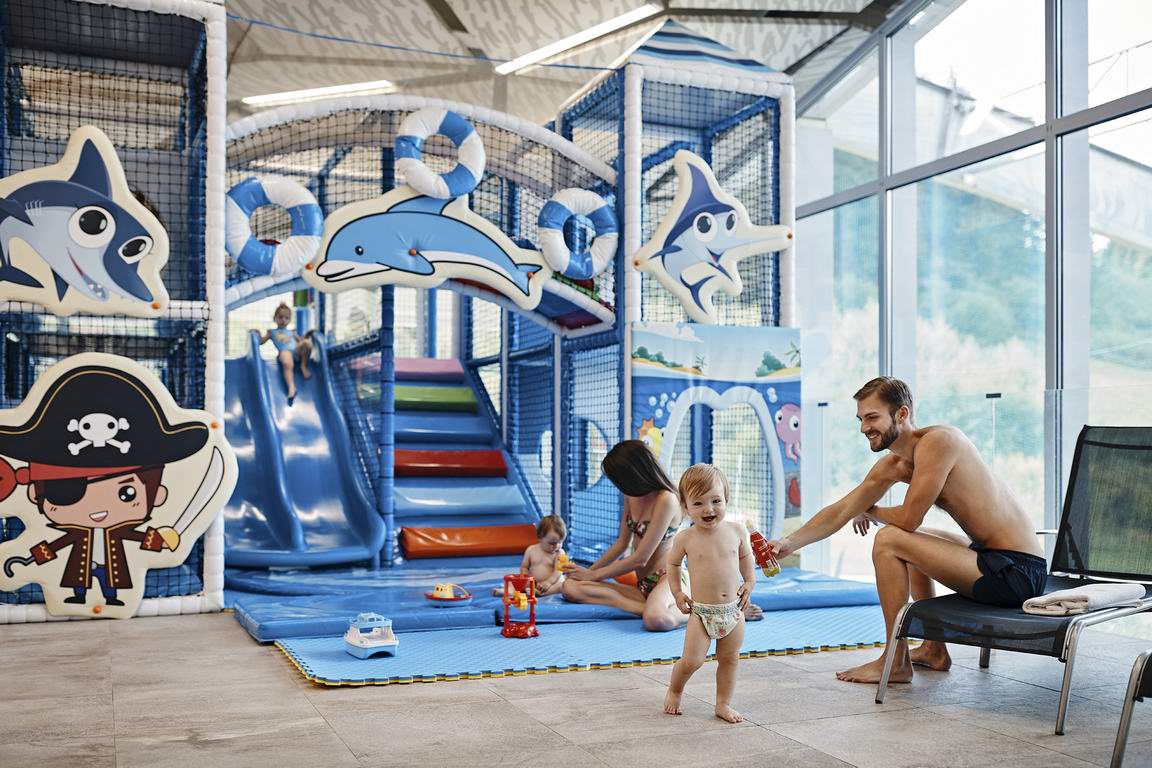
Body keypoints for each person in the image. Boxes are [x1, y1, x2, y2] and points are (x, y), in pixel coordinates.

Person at [767, 377, 1047, 684]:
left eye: (872, 417)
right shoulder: (895, 464)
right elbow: (842, 509)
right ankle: (933, 649)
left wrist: (870, 511)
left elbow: (909, 518)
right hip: (993, 558)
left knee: (890, 539)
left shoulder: (939, 442)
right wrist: (789, 543)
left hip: (1018, 573)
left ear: (902, 414)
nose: (864, 428)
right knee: (908, 541)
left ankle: (896, 660)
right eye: (861, 419)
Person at [663, 464, 755, 723]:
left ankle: (723, 704)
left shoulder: (737, 531)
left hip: (734, 610)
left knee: (730, 659)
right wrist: (677, 593)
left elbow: (746, 558)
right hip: (702, 613)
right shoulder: (685, 538)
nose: (709, 509)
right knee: (692, 660)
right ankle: (675, 690)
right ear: (685, 506)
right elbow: (672, 564)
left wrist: (749, 582)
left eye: (716, 501)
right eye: (698, 503)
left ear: (726, 499)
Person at [495, 514, 568, 597]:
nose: (557, 546)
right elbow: (524, 567)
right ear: (540, 537)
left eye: (560, 542)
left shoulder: (560, 553)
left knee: (561, 585)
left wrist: (548, 582)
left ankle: (541, 593)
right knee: (514, 581)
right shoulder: (531, 550)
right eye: (552, 543)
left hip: (552, 583)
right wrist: (526, 578)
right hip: (533, 582)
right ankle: (510, 590)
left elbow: (558, 572)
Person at [257, 303, 313, 402]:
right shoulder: (271, 332)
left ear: (290, 320)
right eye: (280, 317)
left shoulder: (292, 332)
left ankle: (303, 366)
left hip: (296, 351)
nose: (283, 320)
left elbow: (300, 341)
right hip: (284, 352)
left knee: (306, 344)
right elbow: (261, 342)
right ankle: (292, 387)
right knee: (287, 363)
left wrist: (307, 335)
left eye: (286, 318)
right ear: (274, 318)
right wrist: (257, 334)